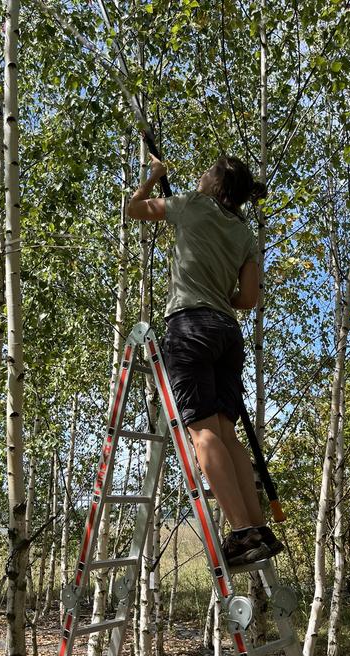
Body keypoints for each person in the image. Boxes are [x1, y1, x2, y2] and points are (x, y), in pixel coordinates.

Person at [127, 153, 283, 565]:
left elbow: (133, 209)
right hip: (227, 334)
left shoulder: (191, 205)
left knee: (202, 433)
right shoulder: (244, 234)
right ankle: (257, 527)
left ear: (214, 184)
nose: (198, 175)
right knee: (227, 435)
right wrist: (220, 292)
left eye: (205, 171)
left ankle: (242, 533)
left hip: (191, 326)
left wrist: (155, 175)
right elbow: (248, 299)